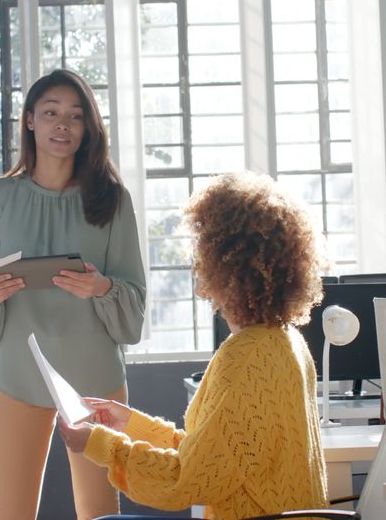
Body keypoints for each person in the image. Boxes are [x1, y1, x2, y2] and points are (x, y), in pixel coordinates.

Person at [58, 172, 330, 520]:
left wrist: (98, 445)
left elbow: (187, 480)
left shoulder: (247, 357)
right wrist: (130, 424)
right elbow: (210, 455)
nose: (197, 263)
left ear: (225, 264)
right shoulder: (284, 340)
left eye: (202, 249)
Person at [0, 68, 146, 520]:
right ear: (30, 121)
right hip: (18, 377)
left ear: (87, 129)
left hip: (95, 381)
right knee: (9, 514)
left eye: (75, 116)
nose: (62, 125)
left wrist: (101, 287)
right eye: (50, 113)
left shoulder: (113, 202)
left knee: (100, 514)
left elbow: (134, 313)